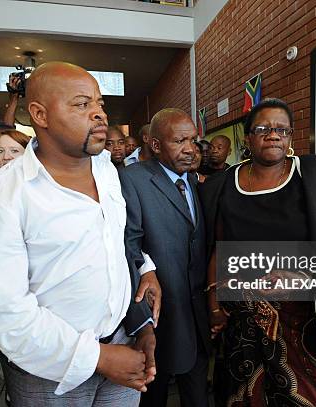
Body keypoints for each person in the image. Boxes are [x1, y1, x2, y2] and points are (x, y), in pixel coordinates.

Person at [0, 61, 161, 406]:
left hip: (122, 344)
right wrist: (99, 358)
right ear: (39, 115)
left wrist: (145, 271)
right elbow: (6, 314)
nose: (99, 114)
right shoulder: (0, 198)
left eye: (100, 104)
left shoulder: (107, 171)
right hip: (47, 372)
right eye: (82, 104)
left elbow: (112, 241)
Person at [200, 98, 316, 406]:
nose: (273, 135)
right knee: (243, 396)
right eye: (263, 128)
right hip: (244, 319)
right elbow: (217, 246)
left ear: (291, 137)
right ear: (247, 138)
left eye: (282, 129)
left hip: (307, 315)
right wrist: (214, 305)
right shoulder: (222, 185)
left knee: (309, 398)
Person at [120, 108, 211, 407]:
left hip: (198, 316)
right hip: (160, 316)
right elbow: (126, 242)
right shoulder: (131, 179)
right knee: (153, 397)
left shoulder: (197, 182)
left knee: (197, 396)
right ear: (156, 145)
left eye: (194, 140)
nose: (190, 149)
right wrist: (146, 270)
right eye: (180, 141)